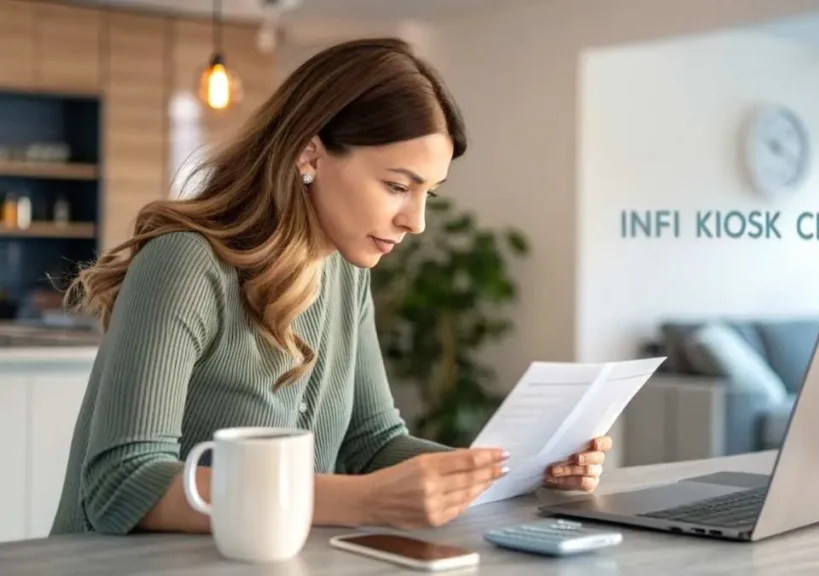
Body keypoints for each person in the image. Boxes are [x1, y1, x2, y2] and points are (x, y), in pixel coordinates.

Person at [49, 38, 611, 537]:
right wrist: (362, 500)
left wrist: (511, 470)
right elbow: (122, 483)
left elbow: (372, 444)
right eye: (397, 186)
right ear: (310, 153)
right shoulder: (185, 263)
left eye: (428, 194)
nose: (415, 222)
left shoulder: (344, 274)